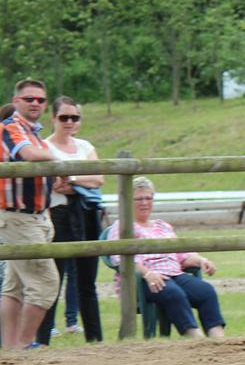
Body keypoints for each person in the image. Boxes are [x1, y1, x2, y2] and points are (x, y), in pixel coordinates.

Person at [106, 177, 226, 338]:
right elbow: (119, 258)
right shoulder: (122, 226)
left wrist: (201, 260)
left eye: (148, 198)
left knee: (206, 292)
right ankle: (196, 339)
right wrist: (147, 273)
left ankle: (218, 340)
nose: (144, 203)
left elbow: (182, 254)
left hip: (175, 274)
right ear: (128, 201)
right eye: (139, 199)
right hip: (143, 281)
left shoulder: (162, 225)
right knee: (174, 293)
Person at [36, 97, 105, 345]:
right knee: (53, 279)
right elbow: (52, 184)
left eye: (74, 117)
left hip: (86, 214)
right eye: (64, 117)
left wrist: (72, 179)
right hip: (59, 216)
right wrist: (78, 180)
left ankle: (95, 339)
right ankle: (42, 340)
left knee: (87, 281)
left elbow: (98, 178)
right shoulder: (44, 147)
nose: (69, 122)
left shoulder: (86, 146)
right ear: (53, 118)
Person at [0, 79, 60, 349]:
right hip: (18, 217)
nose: (35, 103)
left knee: (15, 286)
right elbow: (27, 155)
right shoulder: (10, 127)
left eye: (40, 100)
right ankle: (25, 345)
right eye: (29, 99)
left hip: (35, 216)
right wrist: (56, 161)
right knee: (46, 283)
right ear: (16, 101)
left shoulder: (33, 132)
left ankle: (12, 351)